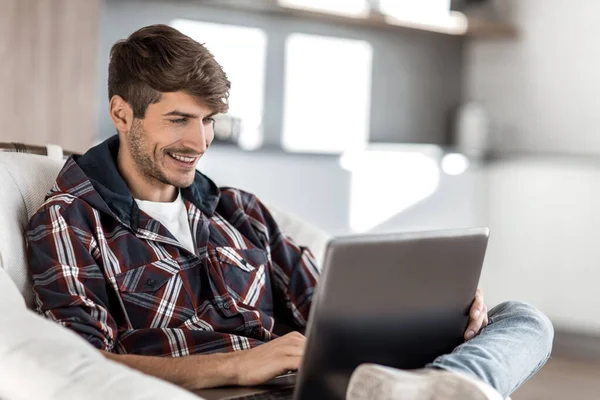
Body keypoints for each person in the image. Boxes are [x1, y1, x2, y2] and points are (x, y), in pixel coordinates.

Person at [26, 24, 552, 400]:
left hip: (320, 381)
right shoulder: (72, 219)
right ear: (122, 113)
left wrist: (436, 317)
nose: (198, 141)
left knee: (521, 318)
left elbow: (328, 312)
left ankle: (446, 386)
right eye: (179, 119)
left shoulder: (238, 210)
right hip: (232, 392)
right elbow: (83, 364)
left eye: (209, 121)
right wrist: (238, 366)